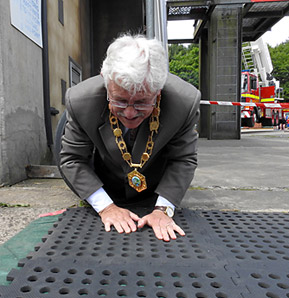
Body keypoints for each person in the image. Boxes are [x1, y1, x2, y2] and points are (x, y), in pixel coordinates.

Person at [60, 34, 201, 242]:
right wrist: (106, 207)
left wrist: (163, 209)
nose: (129, 113)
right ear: (106, 83)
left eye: (142, 102)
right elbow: (72, 159)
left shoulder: (185, 102)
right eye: (120, 101)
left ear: (158, 91)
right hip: (106, 185)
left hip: (156, 189)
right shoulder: (80, 101)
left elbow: (183, 159)